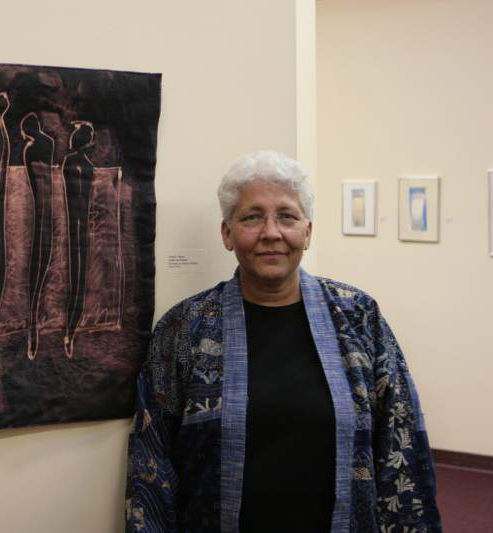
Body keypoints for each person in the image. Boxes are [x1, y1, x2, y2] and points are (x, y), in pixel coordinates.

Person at [125, 151, 441, 532]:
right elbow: (151, 463)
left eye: (287, 216)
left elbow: (401, 446)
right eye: (252, 216)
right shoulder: (184, 328)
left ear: (307, 232)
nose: (271, 232)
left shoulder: (359, 318)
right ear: (227, 233)